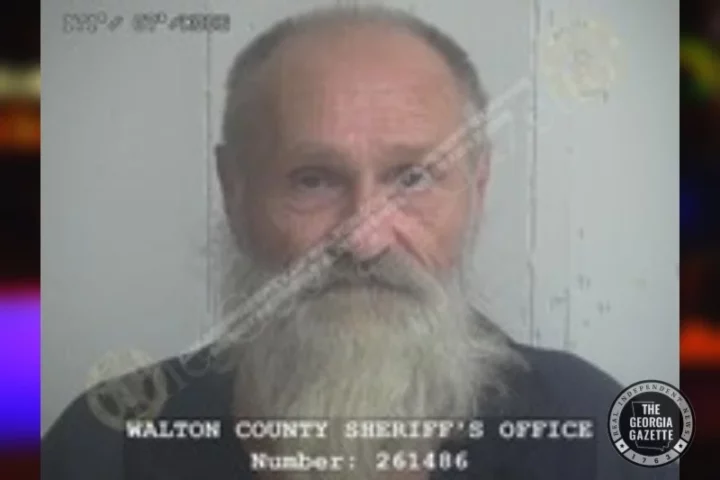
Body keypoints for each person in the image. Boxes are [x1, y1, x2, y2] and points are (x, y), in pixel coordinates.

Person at [42, 5, 677, 479]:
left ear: (477, 188)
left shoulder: (602, 433)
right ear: (234, 191)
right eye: (312, 179)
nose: (366, 240)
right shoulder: (104, 447)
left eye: (414, 177)